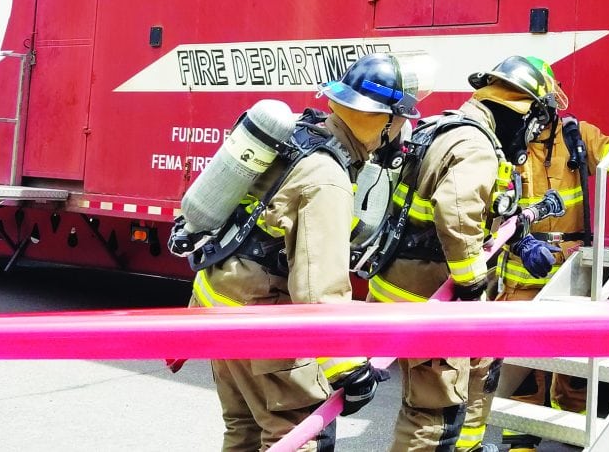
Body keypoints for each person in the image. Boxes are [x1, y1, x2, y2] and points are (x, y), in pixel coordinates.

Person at [177, 52, 428, 452]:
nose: (403, 130)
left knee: (243, 431)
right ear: (384, 120)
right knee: (293, 436)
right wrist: (347, 367)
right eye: (401, 119)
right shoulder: (327, 176)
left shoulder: (298, 134)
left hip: (217, 306)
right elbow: (319, 287)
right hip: (260, 327)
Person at [465, 55, 609, 452]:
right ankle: (521, 440)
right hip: (522, 267)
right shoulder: (503, 144)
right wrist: (519, 242)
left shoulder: (574, 135)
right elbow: (489, 207)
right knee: (523, 360)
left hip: (573, 265)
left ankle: (576, 433)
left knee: (576, 361)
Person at [368, 55, 565, 452]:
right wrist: (472, 284)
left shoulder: (444, 127)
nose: (532, 135)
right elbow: (456, 215)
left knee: (476, 373)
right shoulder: (475, 144)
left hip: (398, 283)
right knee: (433, 412)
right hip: (431, 298)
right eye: (536, 123)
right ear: (522, 112)